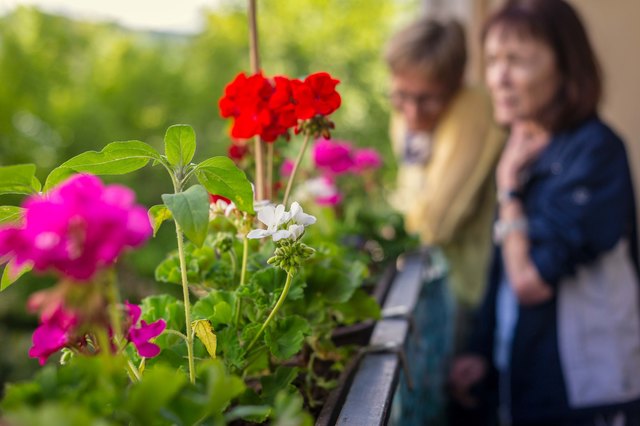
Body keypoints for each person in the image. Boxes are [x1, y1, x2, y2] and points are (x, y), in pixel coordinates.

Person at [449, 0, 640, 425]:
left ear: (566, 68)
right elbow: (502, 261)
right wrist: (481, 352)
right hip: (523, 376)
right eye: (493, 59)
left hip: (587, 390)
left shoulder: (595, 150)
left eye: (516, 60)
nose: (497, 77)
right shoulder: (524, 149)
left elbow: (530, 282)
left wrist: (509, 190)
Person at [384, 17, 505, 425]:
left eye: (428, 99)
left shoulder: (475, 109)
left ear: (455, 85)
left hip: (470, 294)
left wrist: (396, 223)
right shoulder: (404, 116)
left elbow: (435, 223)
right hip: (431, 287)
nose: (413, 111)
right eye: (402, 95)